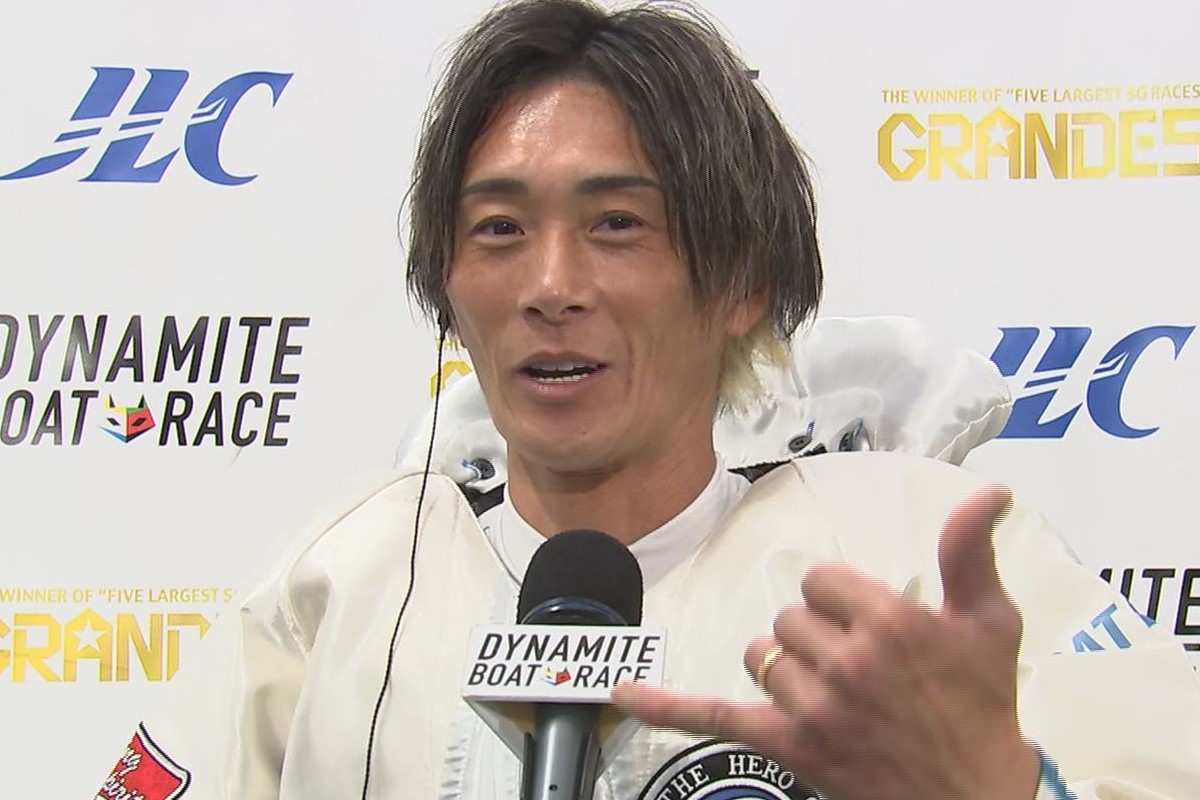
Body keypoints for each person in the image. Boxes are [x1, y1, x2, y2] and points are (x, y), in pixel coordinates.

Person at [97, 1, 1200, 799]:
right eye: (498, 230)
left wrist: (1005, 787)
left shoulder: (914, 550)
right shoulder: (348, 573)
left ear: (743, 283)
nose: (550, 286)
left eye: (617, 224)